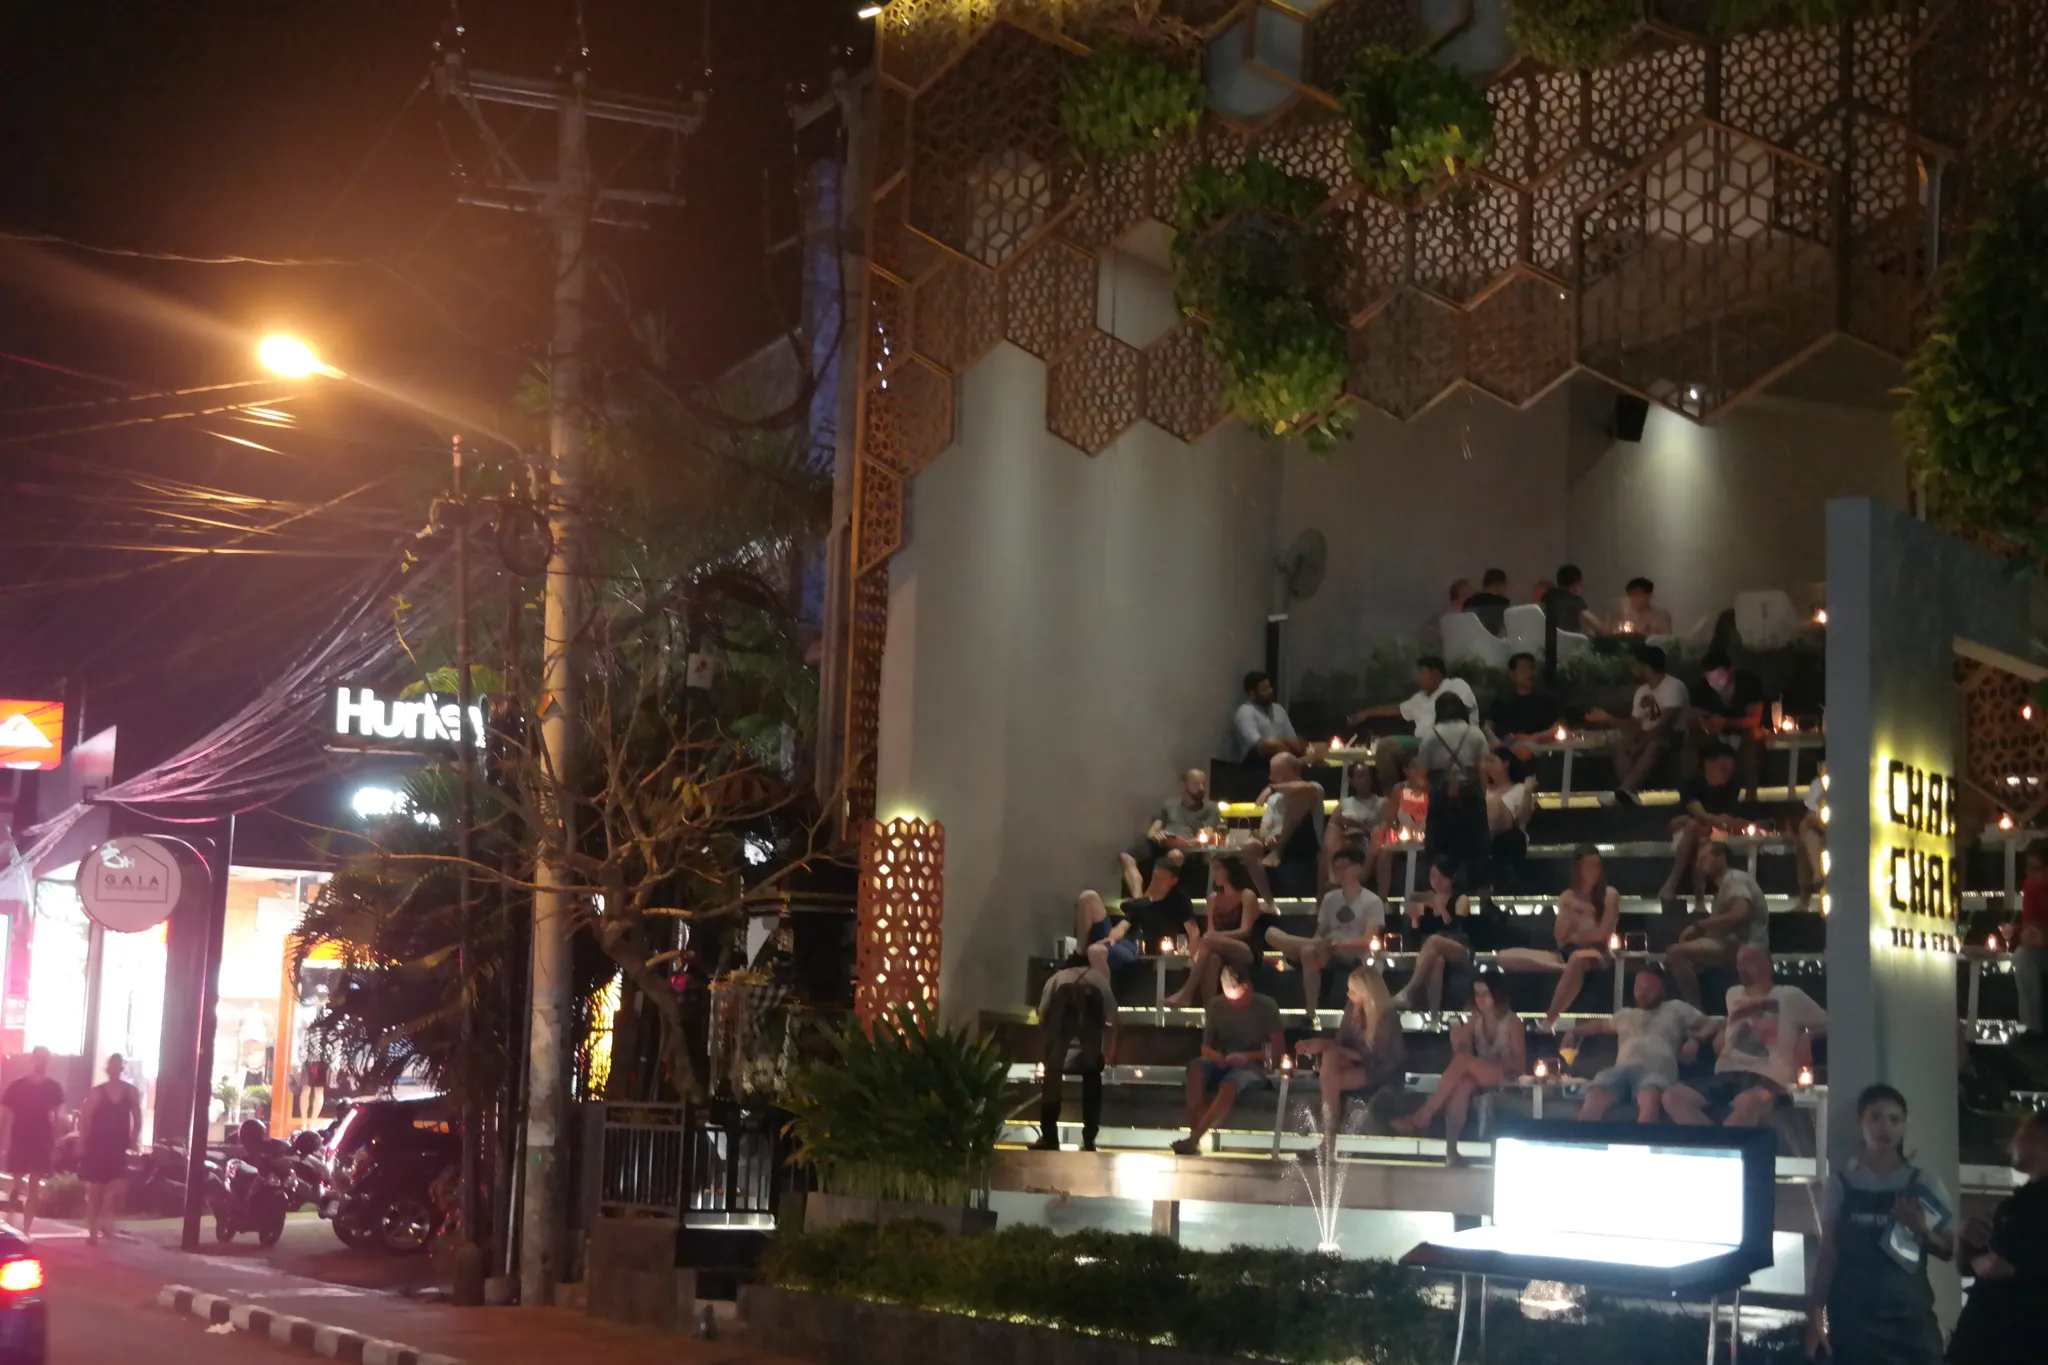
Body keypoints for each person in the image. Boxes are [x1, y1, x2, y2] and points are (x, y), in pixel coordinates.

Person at [1807, 1084, 1954, 1365]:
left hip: (1910, 1318)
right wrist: (1815, 1308)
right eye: (1875, 1118)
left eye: (1894, 1119)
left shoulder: (1924, 1183)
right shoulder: (1840, 1184)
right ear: (1860, 1123)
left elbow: (1949, 1250)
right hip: (1853, 1318)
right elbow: (1828, 1251)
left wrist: (1922, 1230)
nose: (1885, 1127)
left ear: (1904, 1126)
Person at [1662, 945, 1826, 1126]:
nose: (1741, 967)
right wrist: (1712, 1033)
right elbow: (1730, 1021)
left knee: (1748, 1103)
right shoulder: (1732, 994)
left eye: (1748, 961)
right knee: (1672, 1096)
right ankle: (1722, 1142)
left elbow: (1832, 1024)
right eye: (1739, 962)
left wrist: (1807, 1035)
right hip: (1727, 1073)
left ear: (1767, 965)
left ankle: (1718, 1142)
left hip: (1767, 1077)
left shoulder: (1790, 996)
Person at [1391, 977, 1525, 1163]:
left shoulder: (1512, 1022)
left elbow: (1520, 1065)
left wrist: (1486, 1063)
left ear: (1497, 995)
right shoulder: (1475, 1019)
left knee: (1464, 1063)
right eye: (1477, 994)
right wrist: (1458, 1042)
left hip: (1507, 1075)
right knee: (1462, 1085)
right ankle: (1451, 1149)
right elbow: (1462, 1054)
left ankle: (1423, 1116)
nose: (1480, 999)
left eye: (1485, 994)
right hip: (1480, 1073)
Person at [1949, 1112, 2048, 1364]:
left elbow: (1998, 1268)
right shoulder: (2018, 1202)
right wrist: (1966, 1242)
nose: (2010, 1146)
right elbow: (1974, 1267)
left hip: (2016, 1340)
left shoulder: (2031, 1205)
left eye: (2019, 1136)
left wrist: (2016, 1271)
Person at [1563, 966, 1715, 1122]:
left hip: (1655, 1071)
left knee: (1648, 1104)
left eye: (1648, 988)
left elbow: (1713, 1025)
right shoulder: (1625, 1014)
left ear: (1661, 989)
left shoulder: (1675, 1008)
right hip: (1620, 1071)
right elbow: (1599, 1025)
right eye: (1639, 987)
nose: (1643, 992)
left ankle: (1643, 1134)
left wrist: (1695, 1039)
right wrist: (1573, 1032)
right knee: (1595, 1094)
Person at [1495, 844, 1622, 1028]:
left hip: (1599, 953)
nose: (1594, 870)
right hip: (1565, 953)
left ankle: (1549, 1021)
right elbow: (1560, 937)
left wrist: (1577, 937)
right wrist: (1569, 907)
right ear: (1577, 869)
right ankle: (1564, 969)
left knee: (1577, 958)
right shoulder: (1568, 896)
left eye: (1597, 865)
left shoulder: (1610, 894)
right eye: (1588, 866)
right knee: (1504, 957)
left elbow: (1603, 933)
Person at [1172, 960, 1284, 1155]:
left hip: (1254, 1065)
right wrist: (1216, 1056)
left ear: (1248, 987)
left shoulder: (1266, 1007)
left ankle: (1194, 1138)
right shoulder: (1216, 1005)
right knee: (1195, 1069)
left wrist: (1248, 1056)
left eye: (1237, 997)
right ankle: (1196, 1132)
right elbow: (1205, 1047)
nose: (1233, 1002)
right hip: (1222, 1060)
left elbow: (1278, 1050)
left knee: (1231, 1082)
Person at [1269, 846, 1385, 1026]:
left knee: (1303, 948)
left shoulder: (1372, 901)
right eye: (1336, 869)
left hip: (1351, 952)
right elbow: (1319, 933)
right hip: (1325, 948)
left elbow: (1369, 940)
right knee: (1290, 942)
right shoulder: (1330, 898)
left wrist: (1339, 944)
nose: (1339, 873)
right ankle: (1310, 1012)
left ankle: (1310, 1011)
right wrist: (1323, 944)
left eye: (1343, 868)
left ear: (1358, 867)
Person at [1294, 965, 1405, 1144]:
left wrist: (1331, 1047)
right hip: (1355, 1062)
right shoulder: (1353, 1008)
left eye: (1353, 990)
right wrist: (1319, 1044)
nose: (1349, 994)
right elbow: (1341, 1042)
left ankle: (1328, 1135)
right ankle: (1329, 1134)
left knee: (1331, 1078)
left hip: (1379, 1070)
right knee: (1330, 1060)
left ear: (1367, 992)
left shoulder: (1387, 1017)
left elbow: (1373, 1057)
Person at [1349, 656, 1479, 793]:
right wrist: (1366, 713)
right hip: (1421, 743)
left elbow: (1463, 711)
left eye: (1422, 672)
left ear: (1435, 673)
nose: (1418, 677)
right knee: (1384, 748)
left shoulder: (1456, 686)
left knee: (1392, 747)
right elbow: (1395, 710)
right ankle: (1392, 798)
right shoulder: (1419, 698)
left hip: (1450, 741)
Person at [1163, 857, 1277, 1009]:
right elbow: (1211, 930)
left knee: (1208, 939)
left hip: (1245, 949)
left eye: (1217, 868)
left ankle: (1186, 993)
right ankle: (1210, 1011)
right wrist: (1213, 937)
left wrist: (1214, 937)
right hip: (1216, 948)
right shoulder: (1212, 899)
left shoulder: (1246, 895)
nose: (1213, 873)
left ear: (1229, 870)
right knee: (1212, 960)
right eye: (1212, 868)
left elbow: (1245, 931)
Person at [1666, 840, 1769, 1007]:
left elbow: (1741, 912)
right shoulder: (1722, 889)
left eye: (1704, 859)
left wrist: (1699, 926)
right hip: (1733, 944)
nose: (1699, 865)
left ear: (1720, 857)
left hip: (1746, 946)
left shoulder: (1733, 879)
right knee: (1684, 955)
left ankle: (1695, 1010)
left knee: (1675, 953)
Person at [1032, 955, 1118, 1152]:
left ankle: (1049, 1137)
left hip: (1060, 1049)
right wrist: (1113, 1050)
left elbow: (1042, 1016)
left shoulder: (1056, 979)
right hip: (1090, 1049)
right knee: (1092, 1081)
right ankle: (1089, 1139)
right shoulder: (1098, 979)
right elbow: (1114, 1017)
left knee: (1052, 1081)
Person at [1585, 644, 1688, 801]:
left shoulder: (1673, 686)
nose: (1631, 668)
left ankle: (1625, 790)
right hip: (1645, 736)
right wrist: (1608, 718)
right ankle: (1630, 792)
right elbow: (1634, 725)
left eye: (1634, 664)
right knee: (1617, 742)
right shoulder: (1642, 691)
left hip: (1672, 736)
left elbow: (1665, 724)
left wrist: (1640, 745)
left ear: (1645, 666)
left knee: (1656, 743)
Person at [1660, 742, 1747, 907]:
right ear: (1708, 764)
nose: (1726, 773)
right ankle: (1696, 898)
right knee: (1695, 830)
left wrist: (1715, 822)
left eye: (1729, 769)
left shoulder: (1732, 788)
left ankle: (1675, 885)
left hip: (1712, 832)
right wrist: (1712, 820)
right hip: (1687, 832)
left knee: (1701, 836)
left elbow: (1726, 819)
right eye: (1722, 768)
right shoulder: (1692, 784)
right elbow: (1700, 815)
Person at [1420, 693, 1491, 890]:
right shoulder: (1475, 734)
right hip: (1470, 793)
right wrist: (1483, 793)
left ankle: (1442, 891)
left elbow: (1421, 772)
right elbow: (1483, 768)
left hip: (1441, 794)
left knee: (1440, 845)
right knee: (1476, 845)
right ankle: (1478, 890)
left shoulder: (1431, 736)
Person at [1389, 857, 1474, 1019]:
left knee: (1435, 940)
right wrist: (1414, 919)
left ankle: (1409, 992)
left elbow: (1456, 927)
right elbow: (1417, 936)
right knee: (1437, 961)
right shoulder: (1426, 902)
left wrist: (1439, 906)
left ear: (1452, 877)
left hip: (1458, 945)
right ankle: (1434, 1018)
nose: (1437, 881)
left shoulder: (1461, 899)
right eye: (1433, 876)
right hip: (1431, 949)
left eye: (1442, 877)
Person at [1121, 768, 1223, 897]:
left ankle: (1148, 898)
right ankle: (1138, 897)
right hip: (1162, 842)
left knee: (1175, 855)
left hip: (1184, 847)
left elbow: (1206, 838)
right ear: (1184, 785)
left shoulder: (1210, 809)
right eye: (1196, 784)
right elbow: (1152, 831)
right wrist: (1157, 835)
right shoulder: (1169, 805)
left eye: (1203, 783)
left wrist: (1184, 843)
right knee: (1126, 857)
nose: (1201, 788)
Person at [1243, 751, 1326, 899]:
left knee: (1299, 797)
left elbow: (1304, 789)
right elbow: (1264, 828)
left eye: (1274, 772)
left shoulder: (1314, 787)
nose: (1270, 777)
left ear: (1288, 772)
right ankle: (1268, 900)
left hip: (1301, 845)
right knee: (1250, 846)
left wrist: (1271, 788)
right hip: (1273, 844)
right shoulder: (1274, 799)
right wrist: (1267, 838)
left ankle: (1279, 850)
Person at [1686, 650, 1767, 798]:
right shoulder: (1701, 689)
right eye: (1710, 679)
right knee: (1693, 742)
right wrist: (1707, 723)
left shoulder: (1748, 683)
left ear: (1730, 671)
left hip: (1743, 730)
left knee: (1752, 740)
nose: (1715, 683)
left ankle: (1750, 796)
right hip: (1715, 733)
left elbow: (1754, 719)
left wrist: (1727, 722)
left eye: (1719, 677)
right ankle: (1693, 795)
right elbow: (1696, 716)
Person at [80, 1053, 142, 1245]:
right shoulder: (98, 1092)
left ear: (121, 1069)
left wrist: (134, 1139)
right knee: (95, 1190)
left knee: (115, 1186)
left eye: (118, 1066)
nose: (115, 1069)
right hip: (98, 1145)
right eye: (112, 1066)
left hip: (118, 1145)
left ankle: (104, 1219)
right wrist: (82, 1142)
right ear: (108, 1069)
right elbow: (86, 1118)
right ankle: (93, 1232)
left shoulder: (130, 1091)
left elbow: (137, 1117)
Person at [0, 1047, 61, 1236]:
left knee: (34, 1186)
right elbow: (5, 1115)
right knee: (18, 1183)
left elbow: (56, 1117)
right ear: (32, 1060)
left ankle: (26, 1228)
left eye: (44, 1058)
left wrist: (55, 1142)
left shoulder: (53, 1087)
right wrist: (2, 1141)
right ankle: (11, 1214)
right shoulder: (17, 1086)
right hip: (20, 1139)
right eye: (38, 1058)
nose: (41, 1062)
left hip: (41, 1141)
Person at [1115, 849, 1200, 957]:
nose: (1157, 881)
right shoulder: (1151, 876)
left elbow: (1194, 932)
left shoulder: (1179, 897)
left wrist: (1189, 955)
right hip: (1141, 917)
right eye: (1155, 877)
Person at [2005, 838, 2048, 1039]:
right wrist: (2024, 934)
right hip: (2042, 947)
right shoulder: (2030, 886)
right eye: (2027, 867)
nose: (2029, 873)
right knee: (2022, 956)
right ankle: (2032, 1028)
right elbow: (2030, 925)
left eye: (2035, 868)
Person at [1325, 761, 1388, 890]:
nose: (1366, 779)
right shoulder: (1345, 802)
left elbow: (1384, 828)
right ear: (1352, 781)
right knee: (1332, 829)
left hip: (1368, 840)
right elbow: (1333, 824)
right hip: (1347, 840)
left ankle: (1363, 876)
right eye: (1360, 776)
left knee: (1378, 831)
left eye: (1367, 775)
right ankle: (1333, 878)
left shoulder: (1382, 802)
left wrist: (1358, 825)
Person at [1486, 652, 1563, 756]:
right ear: (1512, 674)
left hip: (1542, 754)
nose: (1530, 673)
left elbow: (1558, 728)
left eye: (1532, 668)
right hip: (1508, 754)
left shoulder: (1547, 700)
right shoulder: (1502, 702)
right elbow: (1490, 727)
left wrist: (1531, 738)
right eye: (1524, 669)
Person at [1482, 749, 1539, 871]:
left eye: (1491, 761)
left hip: (1509, 842)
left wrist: (1527, 792)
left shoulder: (1520, 789)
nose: (1487, 766)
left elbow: (1521, 819)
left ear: (1505, 764)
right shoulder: (1484, 790)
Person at [1234, 671, 1307, 763]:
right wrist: (1283, 745)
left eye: (1269, 687)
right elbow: (1260, 744)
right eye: (1265, 689)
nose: (1270, 691)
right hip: (1256, 764)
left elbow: (1294, 741)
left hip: (1283, 761)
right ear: (1252, 694)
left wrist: (1287, 746)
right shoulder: (1245, 712)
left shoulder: (1278, 709)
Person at [1792, 770, 1828, 913]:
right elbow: (1811, 815)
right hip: (1822, 830)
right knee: (1804, 833)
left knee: (1805, 831)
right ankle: (1806, 897)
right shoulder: (1818, 783)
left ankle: (1817, 875)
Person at [1604, 576, 1672, 637]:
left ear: (1649, 595)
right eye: (1632, 594)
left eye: (1639, 594)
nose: (1635, 598)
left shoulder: (1661, 616)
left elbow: (1667, 640)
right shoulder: (1623, 616)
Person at [1463, 568, 1513, 633]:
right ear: (1500, 585)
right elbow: (1506, 629)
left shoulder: (1468, 602)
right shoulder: (1502, 603)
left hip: (1472, 638)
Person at [1547, 564, 1590, 634]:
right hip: (1569, 639)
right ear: (1575, 584)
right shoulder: (1576, 600)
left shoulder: (1548, 596)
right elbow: (1592, 621)